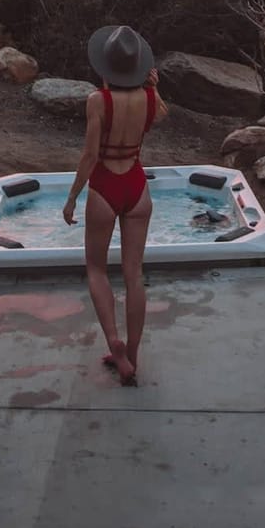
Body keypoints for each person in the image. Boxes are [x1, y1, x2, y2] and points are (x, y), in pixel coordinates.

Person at [62, 24, 168, 386]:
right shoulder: (150, 99)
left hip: (106, 185)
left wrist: (72, 196)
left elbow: (90, 155)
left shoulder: (98, 101)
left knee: (96, 269)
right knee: (134, 273)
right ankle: (133, 354)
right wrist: (153, 87)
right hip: (136, 186)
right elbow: (160, 114)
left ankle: (114, 343)